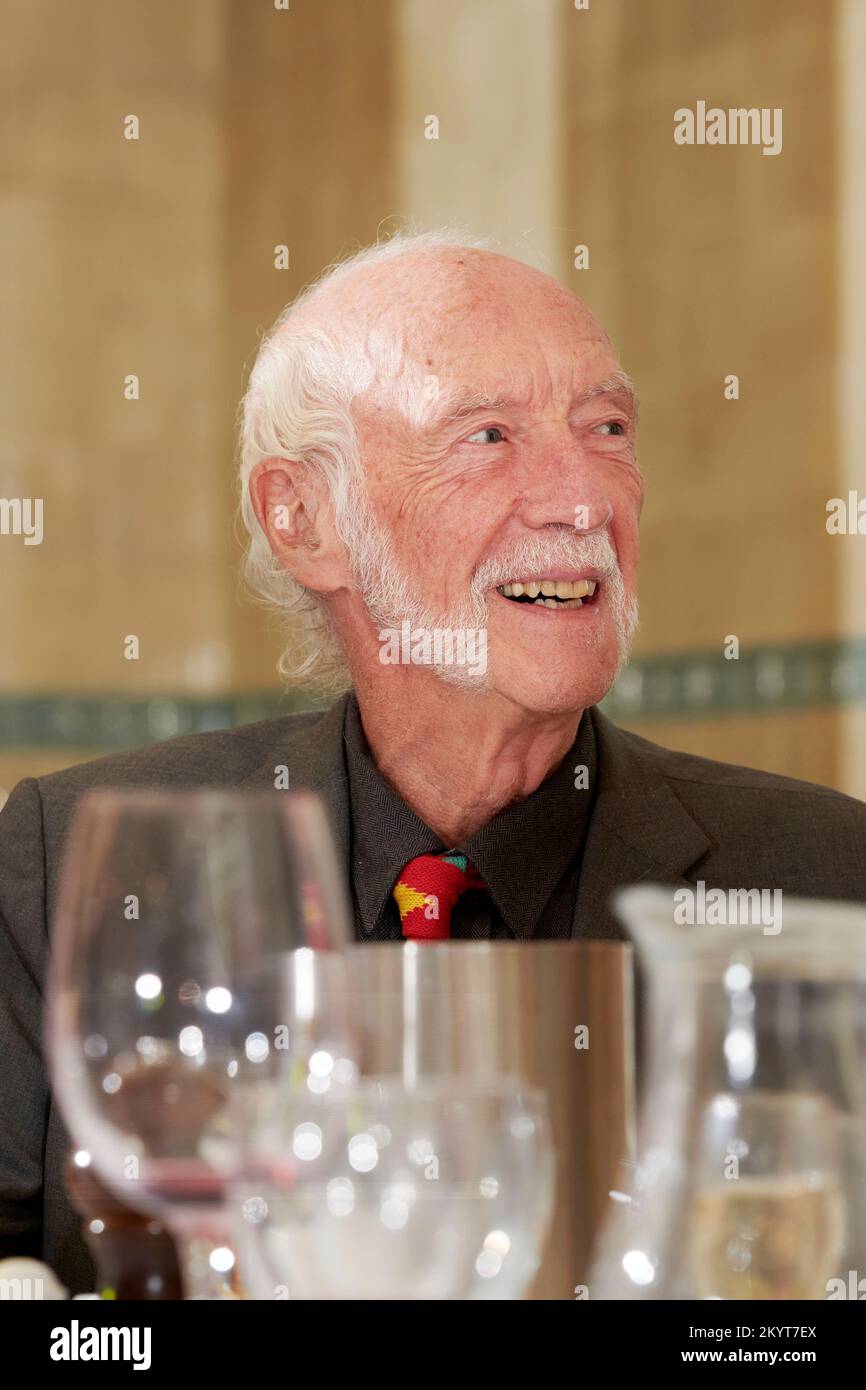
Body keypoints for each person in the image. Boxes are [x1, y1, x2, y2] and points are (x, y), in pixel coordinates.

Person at [2, 230, 864, 1290]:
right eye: (488, 435)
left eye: (605, 428)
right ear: (303, 517)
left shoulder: (825, 872)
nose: (580, 499)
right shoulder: (74, 856)